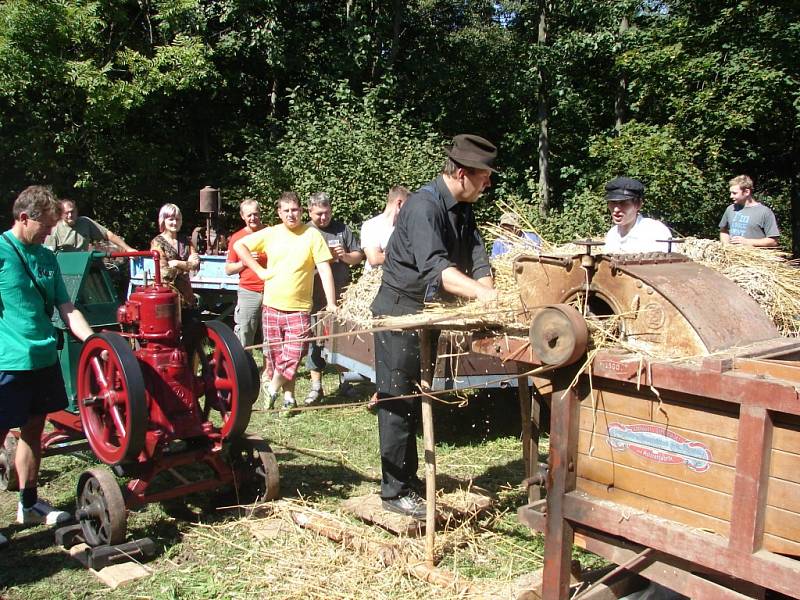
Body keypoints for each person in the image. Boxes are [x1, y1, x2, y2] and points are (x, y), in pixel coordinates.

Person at [371, 134, 498, 519]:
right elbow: (437, 269)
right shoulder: (424, 207)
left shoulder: (461, 206)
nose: (488, 183)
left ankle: (410, 479)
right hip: (400, 315)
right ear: (461, 173)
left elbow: (477, 258)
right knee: (397, 402)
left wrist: (490, 294)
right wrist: (481, 296)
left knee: (419, 395)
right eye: (484, 176)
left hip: (428, 314)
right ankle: (394, 491)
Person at [0, 186, 95, 549]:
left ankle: (29, 504)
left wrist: (92, 341)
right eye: (45, 226)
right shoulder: (2, 252)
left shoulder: (46, 257)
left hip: (43, 358)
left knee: (33, 433)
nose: (49, 233)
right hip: (7, 363)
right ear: (24, 218)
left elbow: (66, 307)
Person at [234, 192, 337, 415]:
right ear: (279, 213)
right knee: (275, 357)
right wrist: (259, 270)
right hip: (271, 306)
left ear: (301, 211)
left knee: (293, 354)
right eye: (286, 210)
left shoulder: (312, 235)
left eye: (295, 210)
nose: (291, 214)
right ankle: (289, 398)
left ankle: (271, 388)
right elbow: (239, 246)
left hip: (299, 309)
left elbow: (325, 269)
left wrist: (331, 302)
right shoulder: (270, 233)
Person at [304, 192, 363, 405]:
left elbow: (358, 256)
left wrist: (344, 256)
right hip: (314, 296)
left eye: (327, 213)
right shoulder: (305, 231)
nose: (323, 218)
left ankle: (345, 383)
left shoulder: (342, 229)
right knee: (314, 341)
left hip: (342, 294)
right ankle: (316, 387)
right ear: (310, 212)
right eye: (319, 214)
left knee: (343, 340)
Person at [225, 199, 267, 353]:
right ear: (242, 216)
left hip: (271, 290)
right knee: (245, 332)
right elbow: (229, 269)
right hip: (249, 291)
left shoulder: (270, 233)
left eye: (256, 214)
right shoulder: (237, 238)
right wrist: (246, 261)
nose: (253, 218)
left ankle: (269, 372)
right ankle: (245, 369)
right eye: (249, 215)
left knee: (271, 334)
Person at [603, 176, 672, 253]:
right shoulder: (612, 235)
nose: (616, 209)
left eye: (623, 203)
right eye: (613, 202)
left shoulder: (655, 232)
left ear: (638, 204)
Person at [150, 203, 200, 308]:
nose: (175, 223)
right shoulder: (157, 242)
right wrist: (187, 265)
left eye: (178, 219)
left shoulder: (186, 240)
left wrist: (177, 263)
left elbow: (196, 265)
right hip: (167, 296)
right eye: (171, 219)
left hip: (187, 296)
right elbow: (165, 272)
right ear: (163, 220)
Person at [45, 198, 135, 253]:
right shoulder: (54, 228)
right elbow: (48, 254)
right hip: (63, 269)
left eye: (72, 211)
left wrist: (128, 249)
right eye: (66, 213)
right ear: (61, 214)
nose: (70, 215)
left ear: (76, 211)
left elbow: (108, 234)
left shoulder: (85, 222)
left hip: (83, 266)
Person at [719, 175, 779, 247]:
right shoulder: (730, 209)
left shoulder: (764, 212)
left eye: (734, 193)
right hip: (733, 256)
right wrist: (726, 245)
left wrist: (748, 242)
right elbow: (723, 230)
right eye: (731, 193)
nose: (731, 196)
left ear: (747, 192)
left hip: (754, 257)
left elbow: (773, 241)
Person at [360, 186, 409, 272]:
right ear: (399, 204)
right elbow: (374, 259)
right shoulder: (371, 225)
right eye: (408, 206)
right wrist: (405, 257)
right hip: (375, 280)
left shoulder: (407, 227)